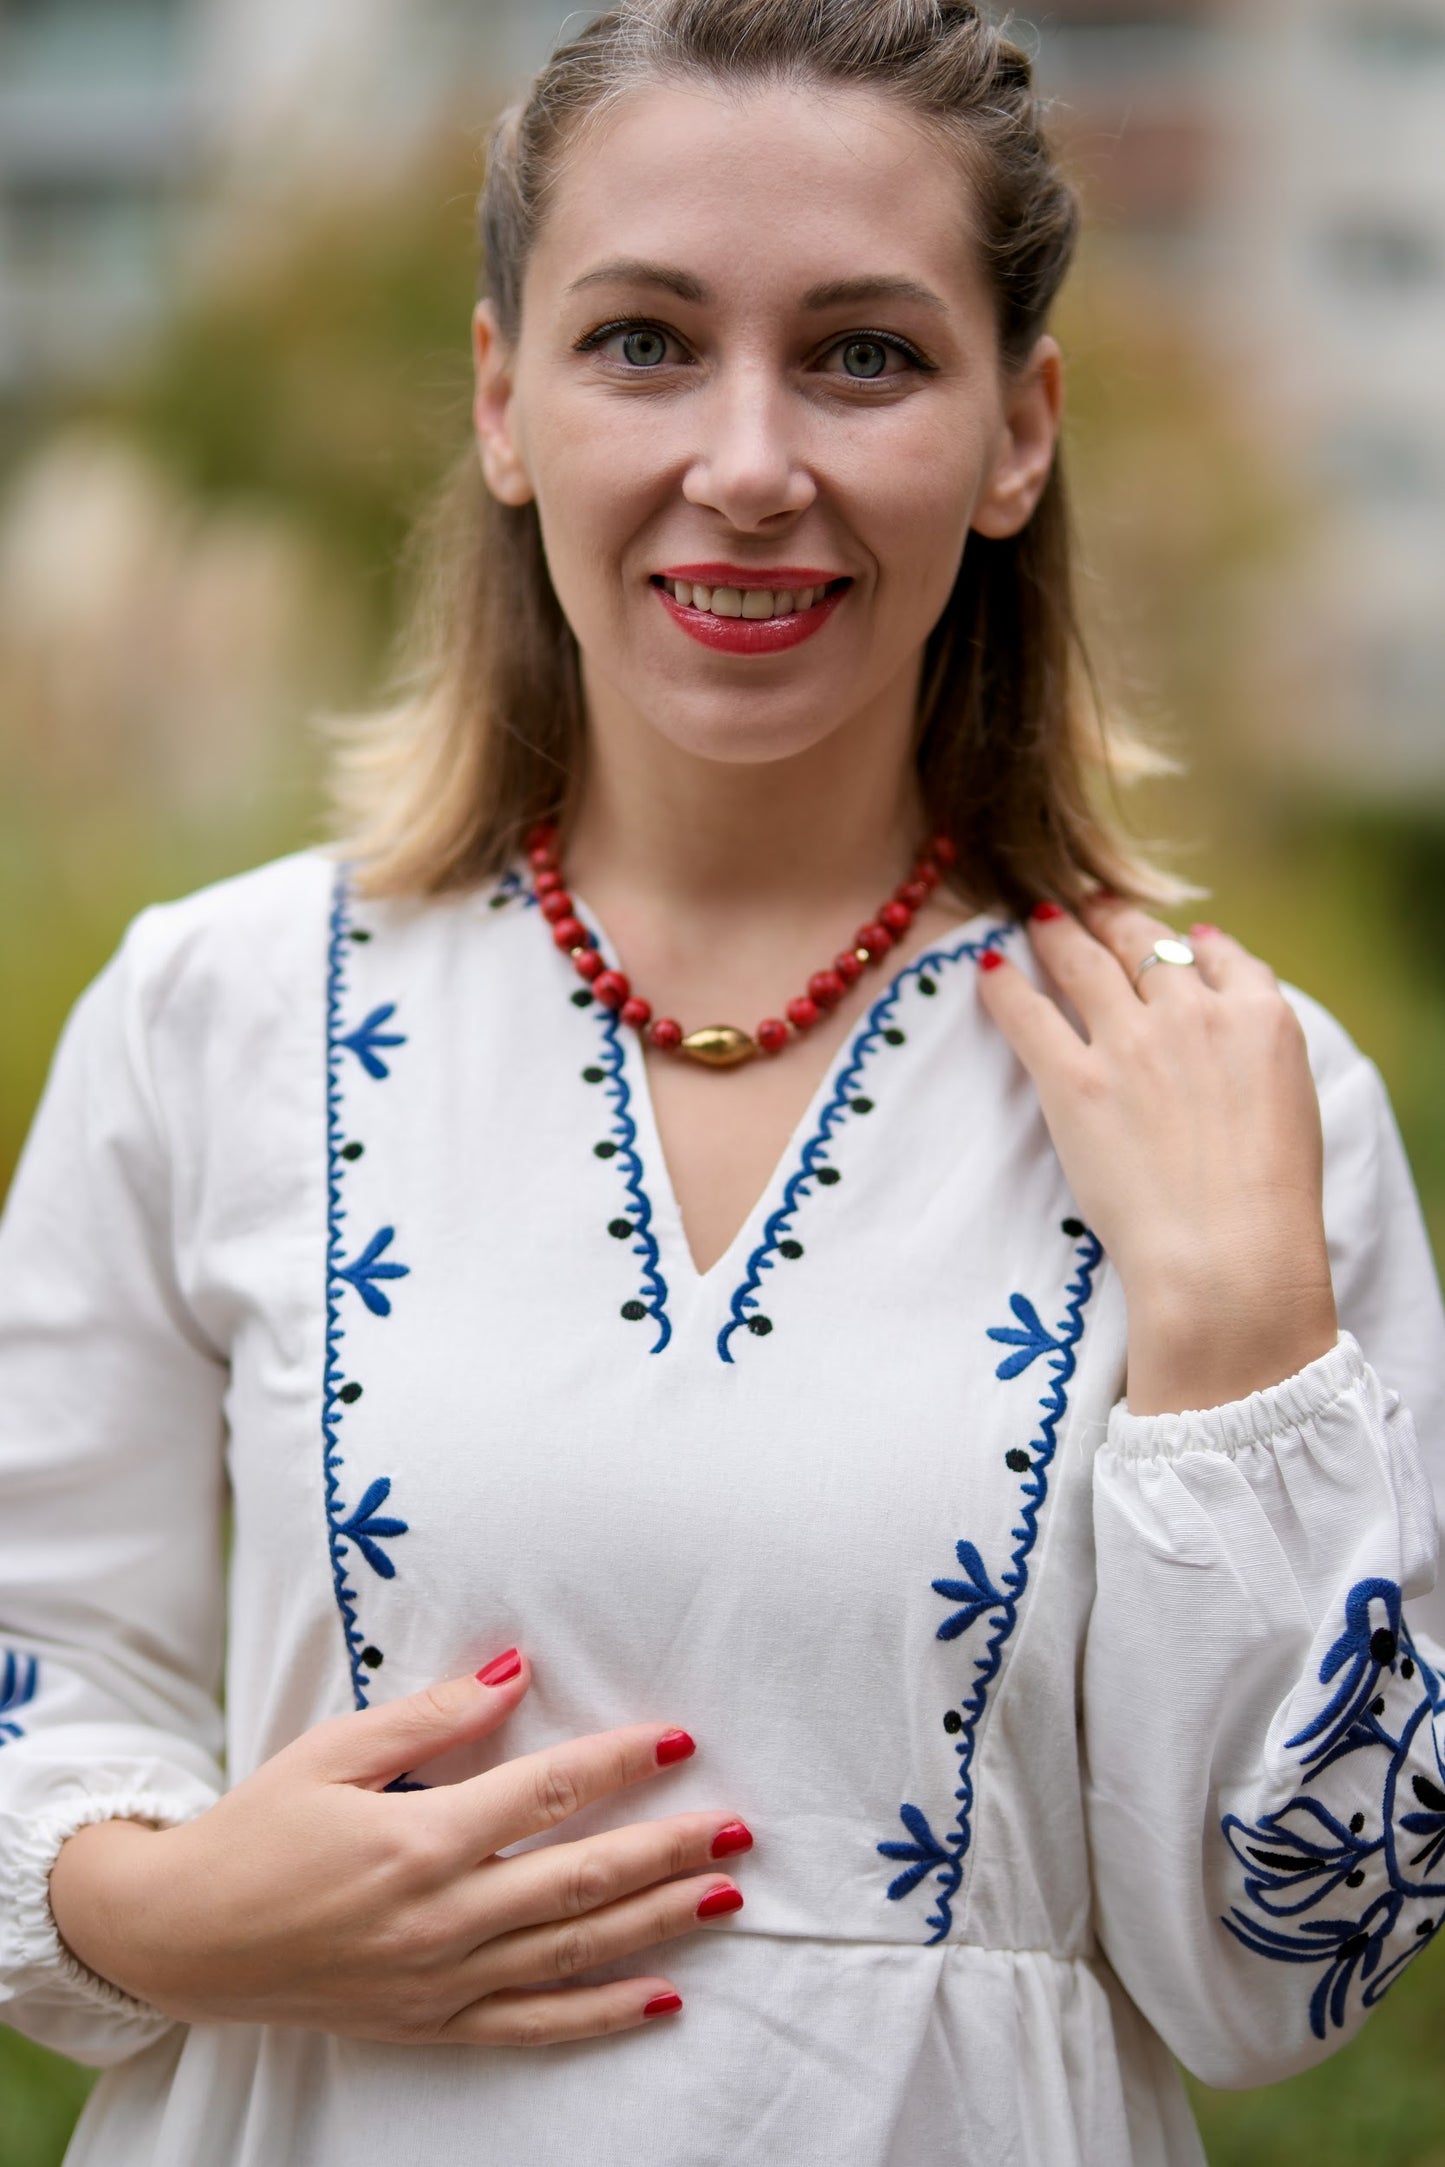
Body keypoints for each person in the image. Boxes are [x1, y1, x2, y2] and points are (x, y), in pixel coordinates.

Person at [3, 3, 1444, 2162]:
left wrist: (1241, 1338)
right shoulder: (211, 1012)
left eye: (865, 353)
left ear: (1018, 432)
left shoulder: (1239, 1091)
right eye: (646, 343)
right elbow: (34, 1645)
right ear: (507, 402)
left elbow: (1286, 1979)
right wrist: (165, 1907)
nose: (749, 459)